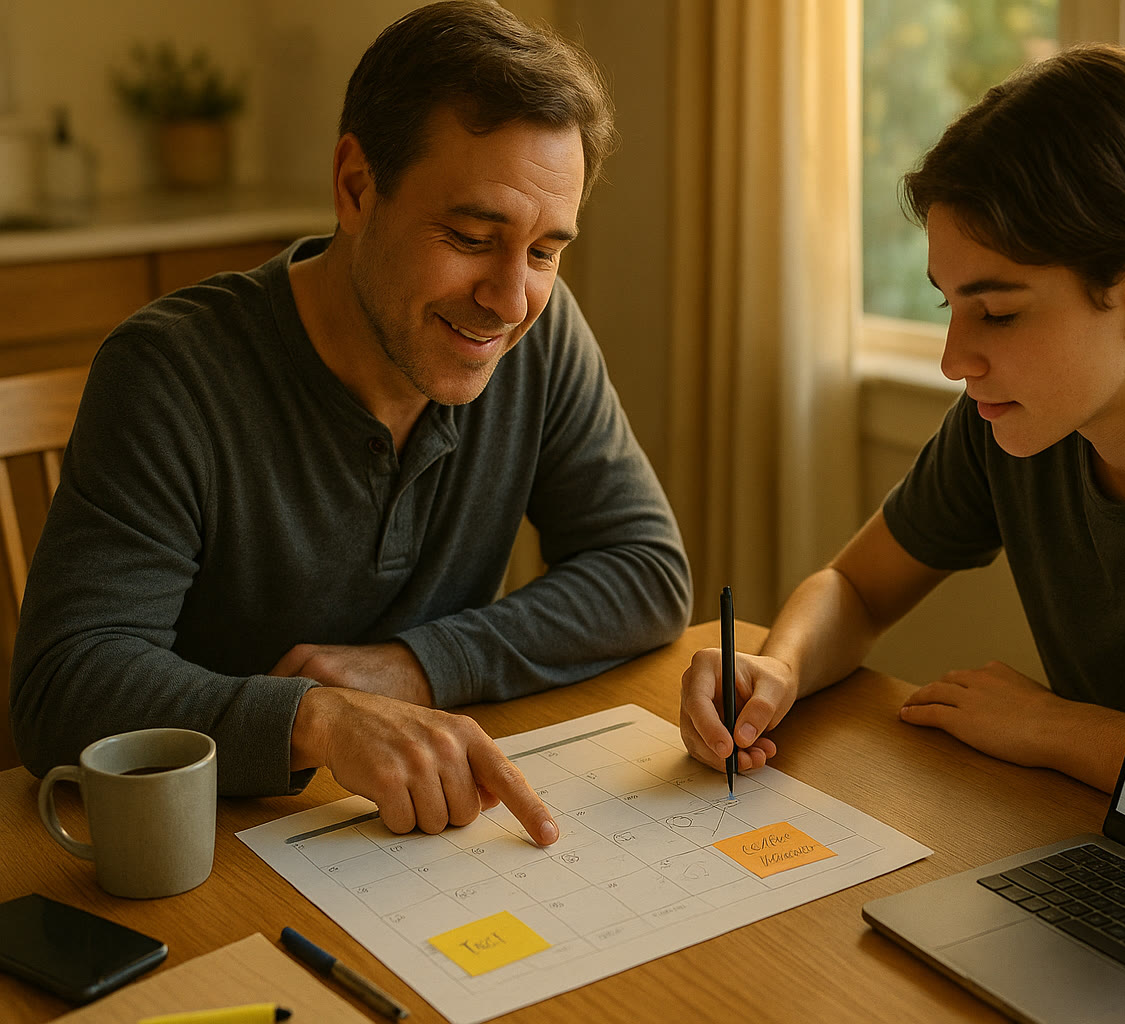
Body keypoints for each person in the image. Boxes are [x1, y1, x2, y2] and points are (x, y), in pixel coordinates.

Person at [10, 0, 691, 841]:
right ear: (356, 187)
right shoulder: (171, 374)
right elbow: (62, 686)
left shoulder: (541, 339)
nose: (512, 300)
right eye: (474, 235)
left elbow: (644, 571)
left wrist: (416, 667)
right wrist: (319, 719)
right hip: (211, 849)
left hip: (405, 838)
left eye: (547, 251)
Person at [679, 43, 1125, 793]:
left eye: (997, 312)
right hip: (1094, 835)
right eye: (951, 305)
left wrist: (1052, 726)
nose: (954, 359)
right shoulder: (1009, 421)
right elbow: (858, 588)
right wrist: (783, 662)